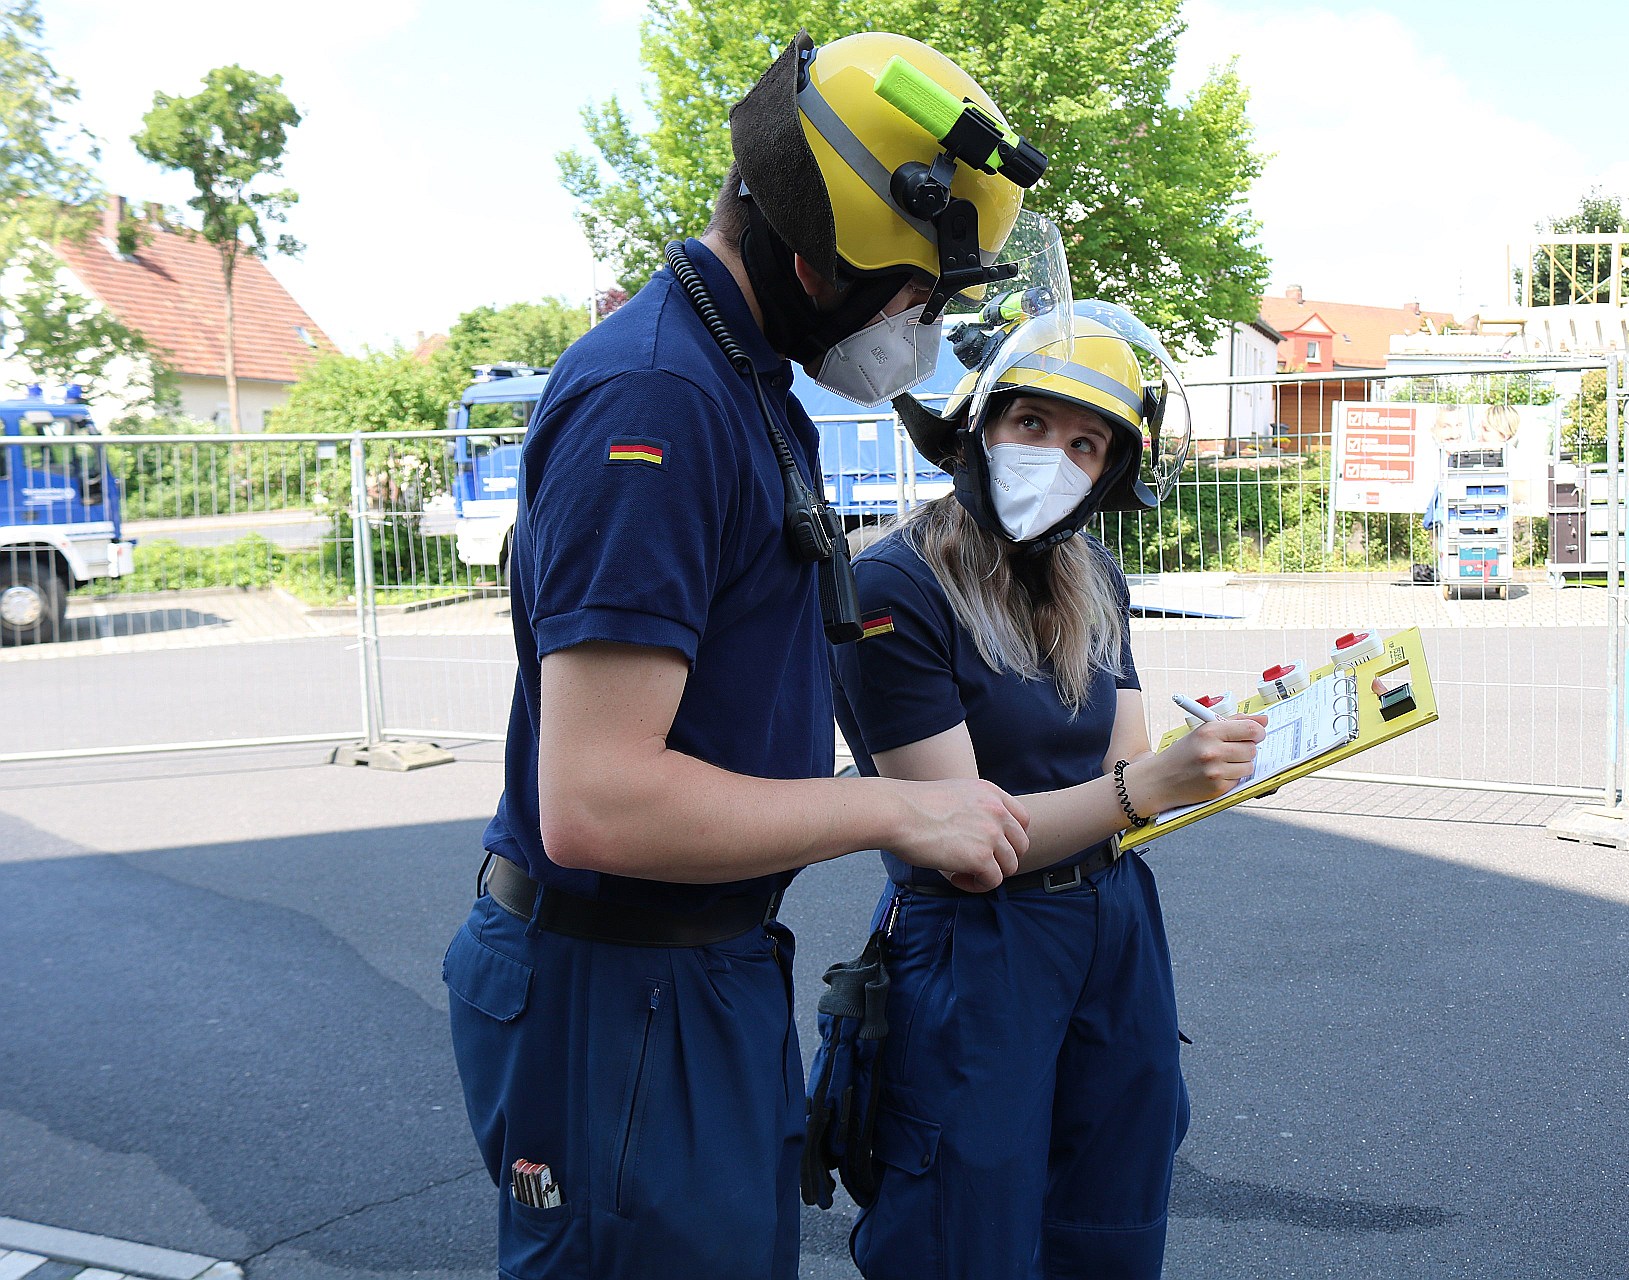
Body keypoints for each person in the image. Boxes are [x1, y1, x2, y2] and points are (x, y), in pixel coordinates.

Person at [441, 31, 1064, 1279]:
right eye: (916, 297)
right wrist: (898, 808)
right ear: (812, 257)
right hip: (620, 994)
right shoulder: (660, 402)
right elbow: (601, 801)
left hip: (690, 975)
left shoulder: (738, 376)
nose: (925, 333)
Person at [819, 303, 1268, 1277]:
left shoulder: (1091, 573)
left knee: (1113, 1214)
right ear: (980, 423)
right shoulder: (894, 588)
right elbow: (963, 832)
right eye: (1032, 425)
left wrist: (1201, 760)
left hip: (1112, 923)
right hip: (979, 944)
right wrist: (1146, 788)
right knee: (960, 1228)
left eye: (1084, 441)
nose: (1053, 455)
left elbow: (1129, 752)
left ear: (1107, 472)